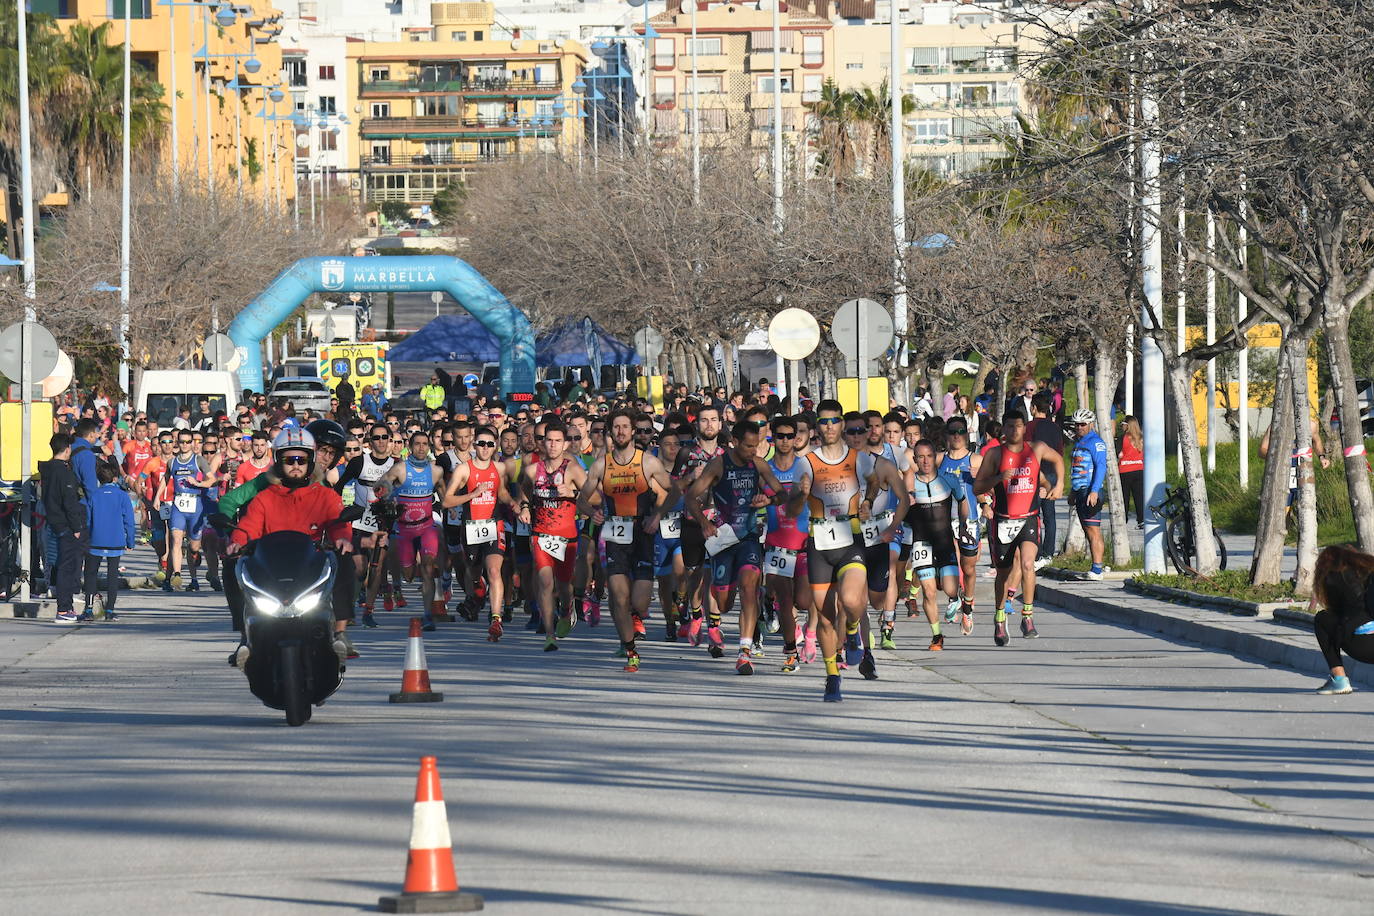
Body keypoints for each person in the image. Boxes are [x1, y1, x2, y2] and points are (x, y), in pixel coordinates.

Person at [225, 429, 355, 669]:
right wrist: (237, 541)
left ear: (310, 461)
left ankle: (339, 634)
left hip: (311, 564)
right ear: (278, 461)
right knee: (233, 563)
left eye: (301, 460)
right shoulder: (264, 497)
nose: (296, 465)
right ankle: (245, 636)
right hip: (271, 566)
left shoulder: (326, 496)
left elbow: (339, 524)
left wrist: (342, 539)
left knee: (345, 557)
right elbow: (248, 527)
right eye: (289, 460)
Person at [685, 419, 795, 676]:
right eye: (747, 446)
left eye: (755, 446)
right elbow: (691, 497)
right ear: (734, 442)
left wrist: (766, 498)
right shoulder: (718, 465)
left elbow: (782, 494)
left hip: (748, 538)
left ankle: (744, 652)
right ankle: (713, 591)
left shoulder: (757, 464)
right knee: (723, 604)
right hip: (723, 540)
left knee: (750, 588)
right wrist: (703, 522)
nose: (752, 451)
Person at [578, 410, 677, 672]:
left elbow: (674, 491)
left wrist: (657, 515)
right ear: (611, 432)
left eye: (625, 427)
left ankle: (634, 620)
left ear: (633, 431)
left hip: (643, 533)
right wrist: (593, 513)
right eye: (616, 427)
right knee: (619, 597)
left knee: (640, 603)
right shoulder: (602, 464)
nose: (621, 432)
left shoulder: (648, 462)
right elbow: (581, 500)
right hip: (614, 534)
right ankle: (631, 650)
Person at [973, 410, 1065, 645]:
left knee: (1026, 563)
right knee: (1003, 574)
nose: (1015, 431)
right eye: (1010, 427)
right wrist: (999, 477)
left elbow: (1058, 460)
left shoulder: (1036, 448)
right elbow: (977, 487)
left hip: (1029, 518)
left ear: (1025, 428)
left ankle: (1028, 616)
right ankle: (1000, 617)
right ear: (1003, 429)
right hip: (1003, 520)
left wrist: (1059, 485)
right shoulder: (995, 454)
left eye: (1019, 426)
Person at [518, 420, 589, 650]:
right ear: (543, 443)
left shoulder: (573, 469)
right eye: (549, 440)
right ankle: (550, 634)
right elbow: (524, 491)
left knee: (564, 584)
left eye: (558, 441)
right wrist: (526, 508)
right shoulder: (531, 470)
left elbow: (594, 497)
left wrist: (573, 492)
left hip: (566, 536)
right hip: (541, 535)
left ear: (565, 443)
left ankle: (567, 609)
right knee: (545, 583)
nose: (553, 445)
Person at [1310, 545, 1374, 695]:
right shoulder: (1369, 572)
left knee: (1322, 619)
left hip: (1362, 647)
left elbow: (1338, 615)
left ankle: (1339, 680)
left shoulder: (1335, 577)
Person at [81, 459, 136, 621]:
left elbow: (88, 520)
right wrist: (130, 541)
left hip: (95, 540)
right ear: (115, 478)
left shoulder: (93, 495)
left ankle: (89, 608)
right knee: (112, 575)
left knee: (91, 573)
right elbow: (129, 521)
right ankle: (110, 610)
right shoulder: (122, 496)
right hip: (115, 541)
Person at [43, 434, 87, 623]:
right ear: (67, 449)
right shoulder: (64, 472)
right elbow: (69, 501)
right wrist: (76, 526)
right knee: (67, 566)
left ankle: (65, 606)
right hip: (66, 525)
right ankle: (64, 608)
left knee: (62, 563)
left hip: (54, 521)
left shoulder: (47, 469)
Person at [1069, 409, 1110, 579]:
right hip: (1079, 491)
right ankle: (1095, 566)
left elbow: (1101, 466)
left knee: (1093, 530)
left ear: (1091, 424)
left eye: (1083, 424)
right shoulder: (1079, 443)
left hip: (1090, 491)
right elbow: (1077, 469)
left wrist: (1094, 491)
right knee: (1087, 530)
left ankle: (1097, 570)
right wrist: (1072, 491)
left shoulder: (1096, 442)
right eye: (1077, 424)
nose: (1079, 427)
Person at [1028, 392, 1065, 567]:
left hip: (1034, 474)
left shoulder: (1029, 427)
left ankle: (1037, 551)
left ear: (1033, 407)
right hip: (1052, 472)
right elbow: (1060, 452)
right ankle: (1048, 553)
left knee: (1033, 514)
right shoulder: (1055, 428)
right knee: (1050, 516)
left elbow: (1025, 453)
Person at [1118, 415, 1145, 528]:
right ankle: (1141, 520)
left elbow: (1119, 454)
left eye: (1122, 424)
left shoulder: (1123, 438)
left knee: (1124, 496)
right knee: (1139, 496)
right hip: (1139, 469)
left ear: (1127, 425)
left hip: (1125, 470)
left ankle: (1123, 519)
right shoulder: (1141, 437)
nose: (1121, 427)